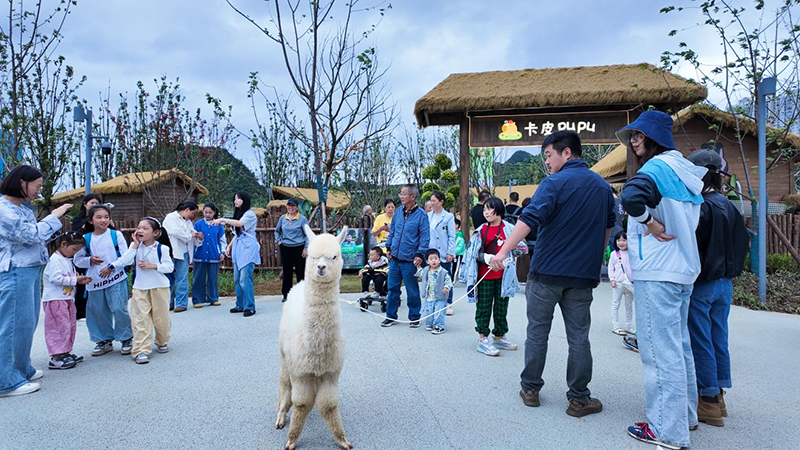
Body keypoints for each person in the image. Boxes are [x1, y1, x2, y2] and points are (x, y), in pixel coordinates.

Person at [490, 130, 614, 418]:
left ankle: (530, 389)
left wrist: (502, 252)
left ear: (566, 153)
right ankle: (579, 399)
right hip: (582, 277)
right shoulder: (603, 188)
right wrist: (595, 260)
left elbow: (528, 220)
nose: (546, 161)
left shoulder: (553, 183)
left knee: (537, 333)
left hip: (546, 272)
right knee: (579, 337)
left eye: (548, 155)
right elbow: (607, 229)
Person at [617, 110, 707, 449]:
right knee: (679, 347)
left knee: (658, 351)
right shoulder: (683, 169)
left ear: (653, 138)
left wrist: (651, 225)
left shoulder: (655, 169)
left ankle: (666, 431)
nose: (634, 143)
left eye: (638, 137)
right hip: (682, 268)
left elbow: (630, 196)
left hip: (658, 270)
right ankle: (685, 417)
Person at [686, 149, 749, 428]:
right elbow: (742, 243)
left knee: (700, 340)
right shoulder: (729, 206)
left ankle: (708, 400)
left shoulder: (700, 206)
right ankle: (719, 395)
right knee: (717, 338)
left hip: (702, 284)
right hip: (725, 284)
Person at [0, 165, 71, 398]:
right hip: (14, 271)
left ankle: (21, 369)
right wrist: (54, 216)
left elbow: (37, 236)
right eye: (37, 186)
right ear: (22, 183)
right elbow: (31, 235)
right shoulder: (3, 209)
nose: (38, 191)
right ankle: (6, 382)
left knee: (26, 323)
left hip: (29, 271)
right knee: (12, 326)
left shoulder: (23, 209)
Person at [461, 198, 526, 356]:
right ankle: (482, 338)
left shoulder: (510, 228)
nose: (487, 213)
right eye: (485, 210)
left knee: (501, 308)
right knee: (483, 307)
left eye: (490, 209)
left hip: (504, 277)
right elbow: (472, 253)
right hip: (484, 276)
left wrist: (509, 256)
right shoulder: (481, 230)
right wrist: (486, 258)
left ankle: (499, 336)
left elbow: (523, 248)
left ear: (498, 210)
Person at [74, 204, 134, 358]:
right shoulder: (85, 239)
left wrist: (112, 267)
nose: (103, 220)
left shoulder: (116, 235)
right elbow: (77, 260)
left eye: (106, 217)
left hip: (116, 278)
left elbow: (126, 257)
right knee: (98, 311)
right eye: (99, 217)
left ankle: (126, 338)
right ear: (90, 220)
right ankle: (103, 340)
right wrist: (90, 260)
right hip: (94, 281)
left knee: (119, 307)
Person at [114, 217, 174, 364]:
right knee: (140, 319)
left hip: (160, 287)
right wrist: (134, 245)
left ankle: (162, 341)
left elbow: (170, 267)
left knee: (161, 318)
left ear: (156, 233)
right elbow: (125, 261)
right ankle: (141, 350)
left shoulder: (162, 248)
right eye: (139, 227)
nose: (140, 230)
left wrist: (153, 266)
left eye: (145, 228)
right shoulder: (134, 247)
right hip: (140, 288)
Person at [380, 184, 430, 328]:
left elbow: (425, 237)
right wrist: (388, 246)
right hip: (395, 258)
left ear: (412, 197)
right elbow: (393, 231)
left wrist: (420, 254)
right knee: (392, 288)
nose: (400, 196)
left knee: (412, 290)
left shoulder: (422, 215)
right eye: (400, 194)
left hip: (410, 260)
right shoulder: (398, 213)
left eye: (403, 194)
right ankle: (390, 316)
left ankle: (414, 317)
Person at [42, 232, 92, 370]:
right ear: (64, 244)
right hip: (55, 300)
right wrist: (76, 280)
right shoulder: (55, 260)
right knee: (57, 327)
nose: (74, 253)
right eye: (74, 250)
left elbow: (68, 278)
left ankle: (65, 352)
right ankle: (56, 356)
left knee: (68, 326)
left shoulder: (66, 260)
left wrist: (78, 280)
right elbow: (56, 279)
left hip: (67, 298)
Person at [213, 192, 261, 317]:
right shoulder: (239, 214)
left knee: (245, 279)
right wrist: (229, 246)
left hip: (248, 249)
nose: (236, 201)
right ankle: (240, 305)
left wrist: (223, 219)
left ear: (244, 200)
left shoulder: (249, 214)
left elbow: (240, 225)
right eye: (234, 199)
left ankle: (250, 306)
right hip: (239, 248)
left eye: (238, 199)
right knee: (237, 279)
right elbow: (238, 234)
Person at [163, 201, 202, 312]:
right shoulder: (170, 218)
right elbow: (176, 232)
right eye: (192, 213)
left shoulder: (188, 221)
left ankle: (181, 304)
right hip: (172, 251)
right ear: (187, 210)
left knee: (182, 278)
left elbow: (192, 234)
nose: (192, 216)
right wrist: (191, 234)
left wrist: (198, 236)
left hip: (184, 252)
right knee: (168, 278)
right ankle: (168, 303)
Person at [71, 193, 103, 320]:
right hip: (83, 251)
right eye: (92, 203)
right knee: (81, 282)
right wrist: (87, 222)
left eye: (97, 203)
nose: (94, 206)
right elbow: (77, 233)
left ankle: (95, 310)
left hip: (97, 252)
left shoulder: (102, 218)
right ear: (85, 204)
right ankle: (80, 311)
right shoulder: (79, 219)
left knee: (96, 281)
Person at [274, 198, 309, 302]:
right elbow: (277, 231)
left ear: (297, 207)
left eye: (293, 206)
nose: (291, 208)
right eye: (289, 205)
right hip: (286, 247)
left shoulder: (302, 219)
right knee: (287, 272)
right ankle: (286, 294)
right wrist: (279, 242)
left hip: (299, 247)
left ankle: (301, 294)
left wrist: (306, 248)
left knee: (300, 272)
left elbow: (307, 234)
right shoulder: (282, 218)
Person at [192, 203, 227, 307]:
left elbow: (222, 241)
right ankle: (197, 300)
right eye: (205, 212)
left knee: (213, 278)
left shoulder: (219, 226)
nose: (207, 214)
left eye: (210, 212)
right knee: (198, 278)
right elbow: (193, 238)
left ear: (214, 212)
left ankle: (213, 298)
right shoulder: (198, 224)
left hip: (213, 255)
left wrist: (222, 252)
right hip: (200, 255)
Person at [427, 191, 456, 311]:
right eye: (431, 200)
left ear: (441, 202)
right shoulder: (428, 215)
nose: (431, 203)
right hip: (430, 252)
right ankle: (434, 301)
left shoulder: (448, 216)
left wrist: (450, 252)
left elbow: (451, 236)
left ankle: (448, 302)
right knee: (432, 277)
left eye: (434, 201)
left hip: (443, 252)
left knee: (445, 276)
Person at [417, 248, 453, 335]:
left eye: (436, 258)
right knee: (428, 311)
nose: (434, 261)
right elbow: (420, 274)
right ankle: (429, 324)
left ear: (439, 260)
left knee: (439, 311)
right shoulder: (426, 270)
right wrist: (418, 268)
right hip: (429, 296)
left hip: (440, 296)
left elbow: (449, 281)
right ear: (427, 261)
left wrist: (446, 287)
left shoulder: (443, 272)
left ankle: (439, 326)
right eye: (431, 259)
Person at [608, 231, 635, 335]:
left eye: (624, 240)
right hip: (618, 283)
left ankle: (628, 326)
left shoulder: (632, 253)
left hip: (630, 283)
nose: (621, 242)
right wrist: (612, 279)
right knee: (615, 304)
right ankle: (616, 326)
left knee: (629, 306)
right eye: (619, 240)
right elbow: (611, 268)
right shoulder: (614, 254)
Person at [452, 218, 466, 316]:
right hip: (451, 254)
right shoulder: (451, 235)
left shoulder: (460, 236)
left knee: (455, 268)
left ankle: (453, 281)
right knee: (451, 268)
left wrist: (453, 252)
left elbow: (460, 247)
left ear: (457, 225)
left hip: (458, 255)